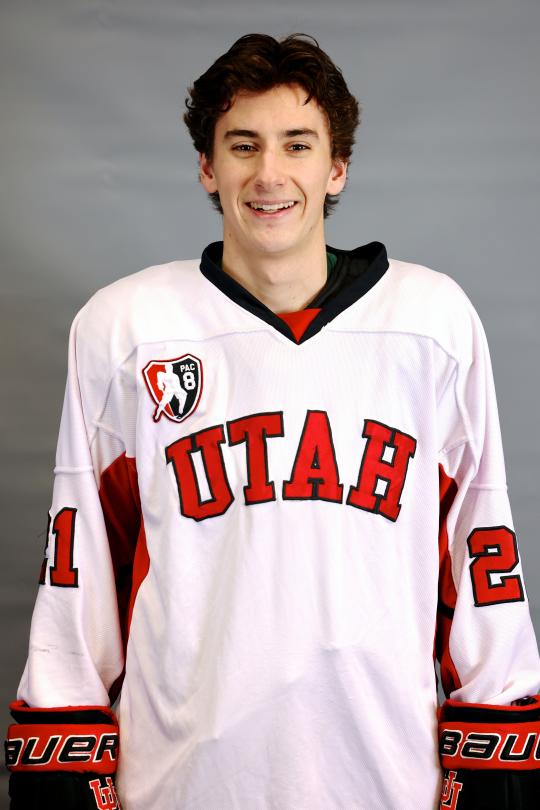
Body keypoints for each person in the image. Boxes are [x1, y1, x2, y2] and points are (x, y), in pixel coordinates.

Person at [5, 32, 540, 810]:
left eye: (297, 144)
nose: (269, 174)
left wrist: (498, 745)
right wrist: (60, 755)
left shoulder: (432, 324)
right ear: (207, 166)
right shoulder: (124, 330)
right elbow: (79, 567)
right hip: (181, 785)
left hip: (387, 781)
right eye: (243, 145)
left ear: (336, 167)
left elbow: (480, 551)